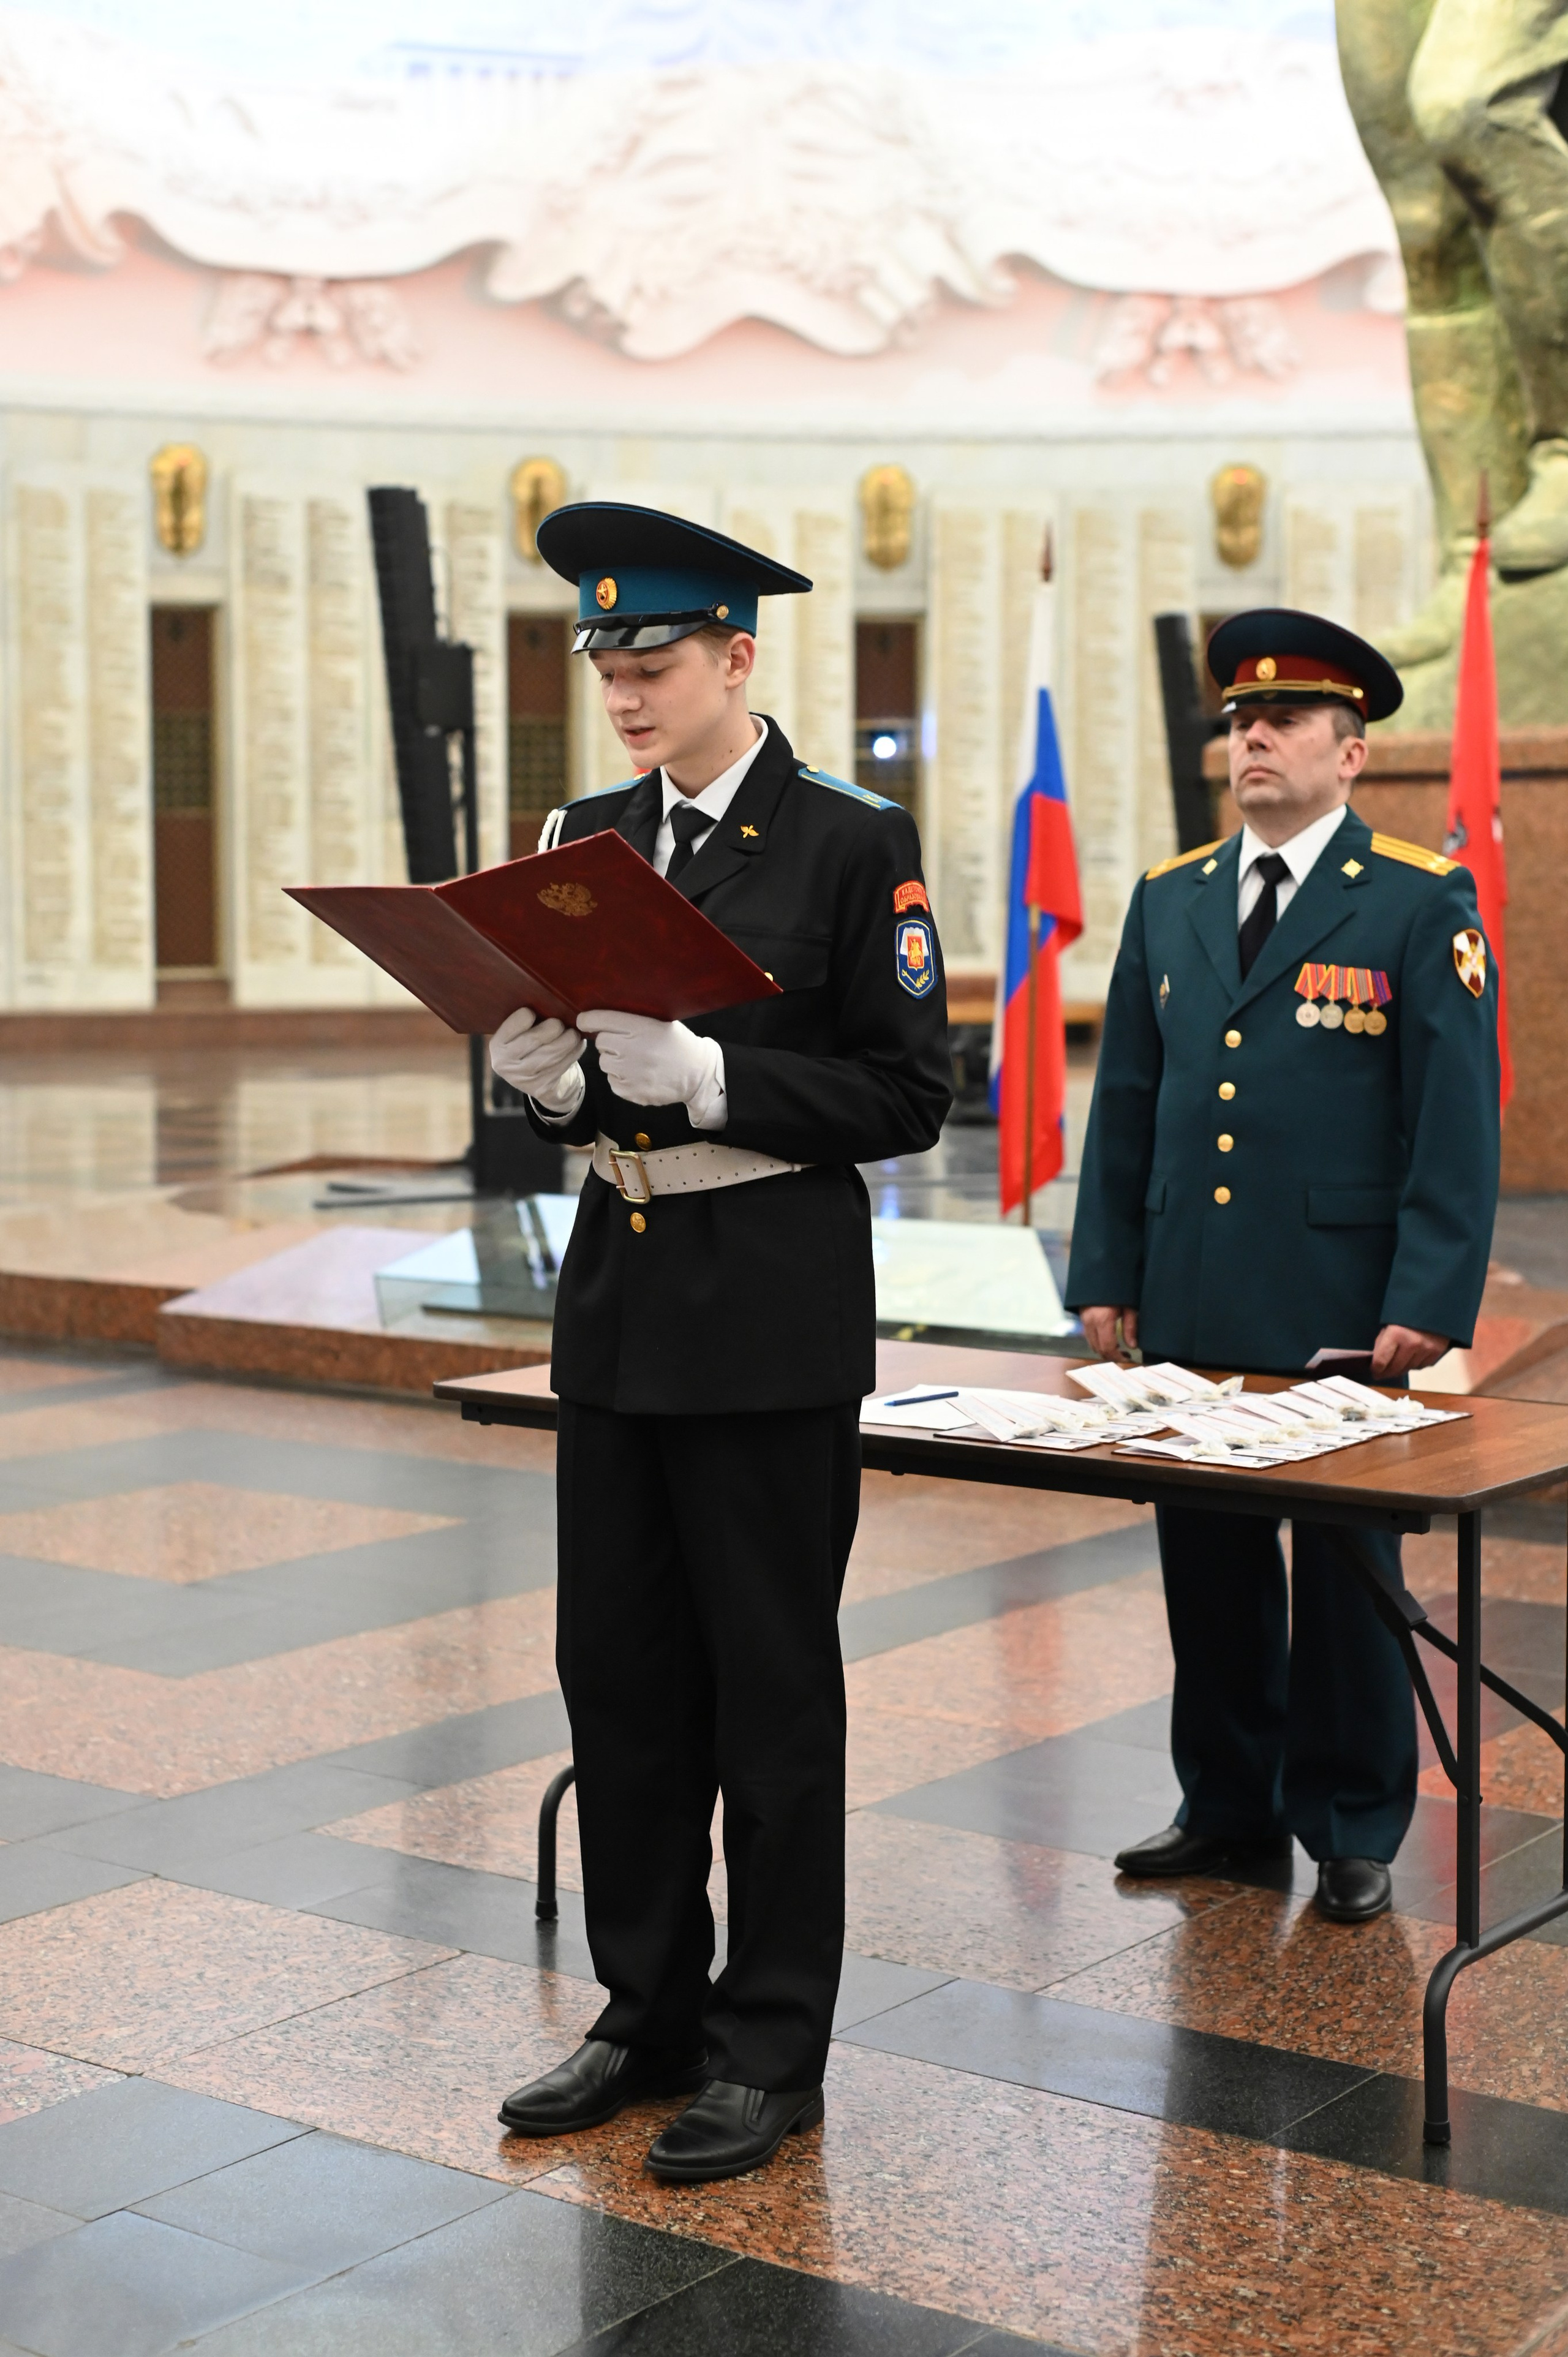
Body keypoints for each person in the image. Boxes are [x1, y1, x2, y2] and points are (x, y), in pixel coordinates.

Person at [487, 502, 952, 2181]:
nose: (623, 689)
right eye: (605, 660)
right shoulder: (584, 831)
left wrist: (726, 1082)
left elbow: (913, 1090)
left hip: (766, 1314)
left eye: (656, 661)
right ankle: (647, 2008)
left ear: (738, 657)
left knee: (768, 1692)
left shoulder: (846, 837)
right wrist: (544, 1089)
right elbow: (572, 1055)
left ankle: (772, 2046)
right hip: (616, 1298)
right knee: (615, 1676)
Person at [1065, 608, 1500, 1925]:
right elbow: (1125, 1101)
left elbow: (1453, 1117)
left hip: (1338, 1303)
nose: (1251, 736)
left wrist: (1424, 1297)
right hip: (1194, 1291)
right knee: (1207, 1565)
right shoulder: (1171, 895)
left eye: (1285, 720)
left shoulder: (1418, 898)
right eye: (1237, 721)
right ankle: (1227, 1800)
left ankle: (1354, 1817)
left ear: (1349, 751)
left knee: (1345, 1568)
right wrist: (1107, 1268)